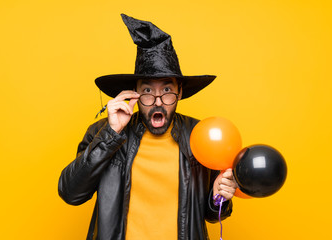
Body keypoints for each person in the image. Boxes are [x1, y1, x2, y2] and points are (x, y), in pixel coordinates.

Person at [58, 14, 237, 240]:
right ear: (135, 92)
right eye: (148, 91)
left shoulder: (199, 136)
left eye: (167, 90)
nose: (158, 101)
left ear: (180, 91)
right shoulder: (104, 132)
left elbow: (210, 214)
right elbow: (70, 193)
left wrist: (218, 197)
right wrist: (110, 136)